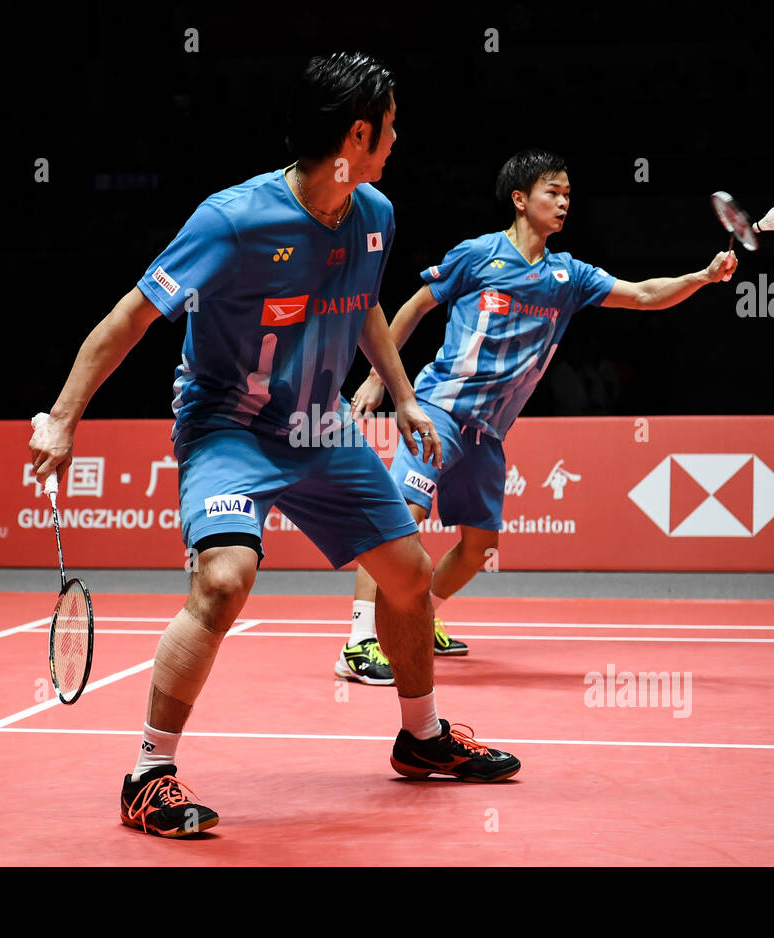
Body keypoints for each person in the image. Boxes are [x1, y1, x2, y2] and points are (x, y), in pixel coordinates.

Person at [28, 52, 522, 839]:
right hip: (229, 426)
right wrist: (62, 416)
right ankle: (149, 774)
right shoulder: (232, 220)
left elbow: (360, 304)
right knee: (225, 581)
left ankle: (421, 738)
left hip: (322, 426)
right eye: (389, 125)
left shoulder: (374, 214)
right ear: (356, 134)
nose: (397, 136)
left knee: (408, 576)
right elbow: (131, 317)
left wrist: (398, 393)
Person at [335, 148, 738, 685]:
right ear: (520, 199)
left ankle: (418, 613)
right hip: (439, 409)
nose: (564, 202)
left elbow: (642, 295)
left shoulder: (568, 276)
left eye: (569, 194)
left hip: (488, 432)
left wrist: (703, 277)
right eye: (554, 191)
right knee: (400, 518)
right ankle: (361, 641)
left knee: (480, 547)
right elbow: (412, 307)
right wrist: (377, 379)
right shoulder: (478, 255)